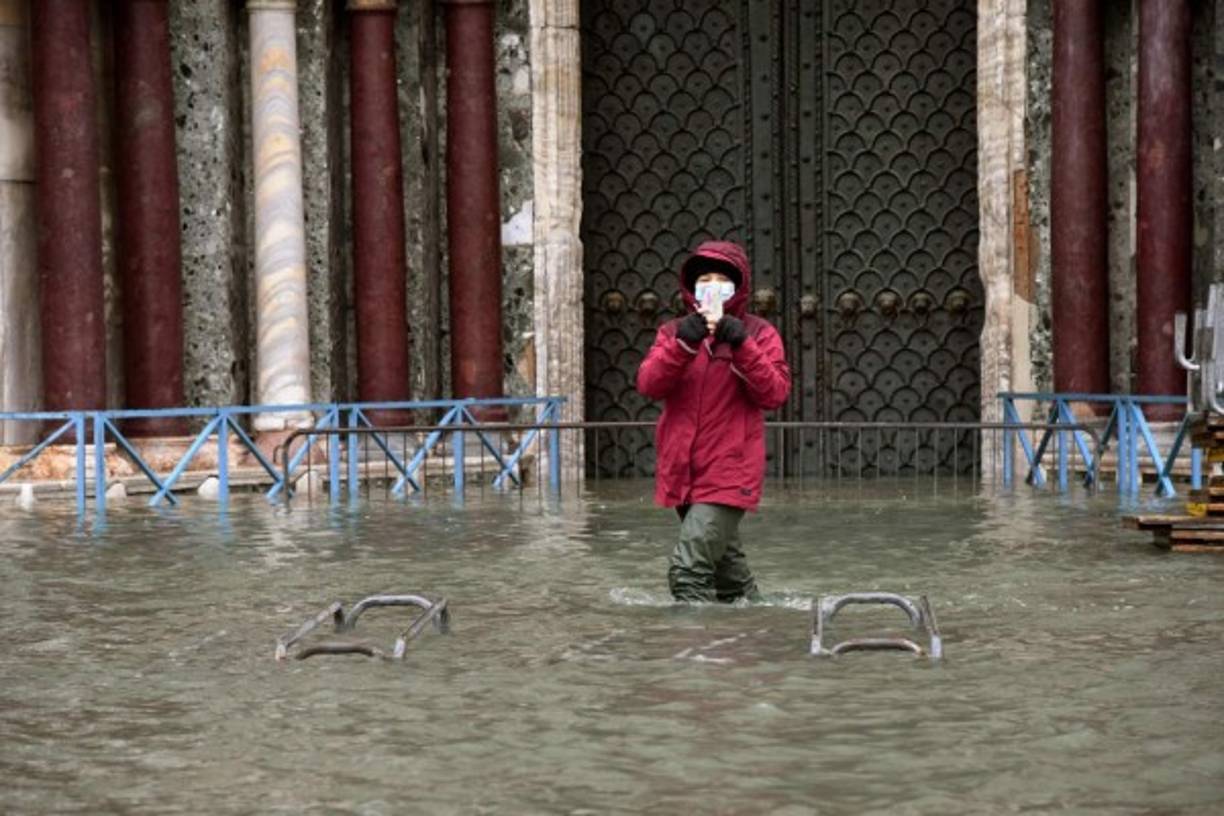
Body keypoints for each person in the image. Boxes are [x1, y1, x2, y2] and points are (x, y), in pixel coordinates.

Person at [636, 240, 792, 603]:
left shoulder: (759, 334)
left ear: (738, 286)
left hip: (729, 470)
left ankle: (689, 639)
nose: (712, 286)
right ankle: (759, 625)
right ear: (692, 287)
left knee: (687, 572)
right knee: (732, 585)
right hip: (682, 469)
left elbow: (774, 393)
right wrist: (683, 345)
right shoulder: (673, 332)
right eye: (704, 279)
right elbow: (648, 384)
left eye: (722, 279)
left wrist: (741, 344)